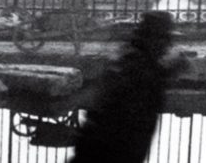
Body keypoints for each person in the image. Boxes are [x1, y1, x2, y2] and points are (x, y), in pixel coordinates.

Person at [70, 11, 188, 163]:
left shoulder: (135, 62)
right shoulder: (135, 67)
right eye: (164, 39)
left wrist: (167, 72)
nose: (168, 45)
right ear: (152, 39)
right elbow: (139, 90)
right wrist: (168, 71)